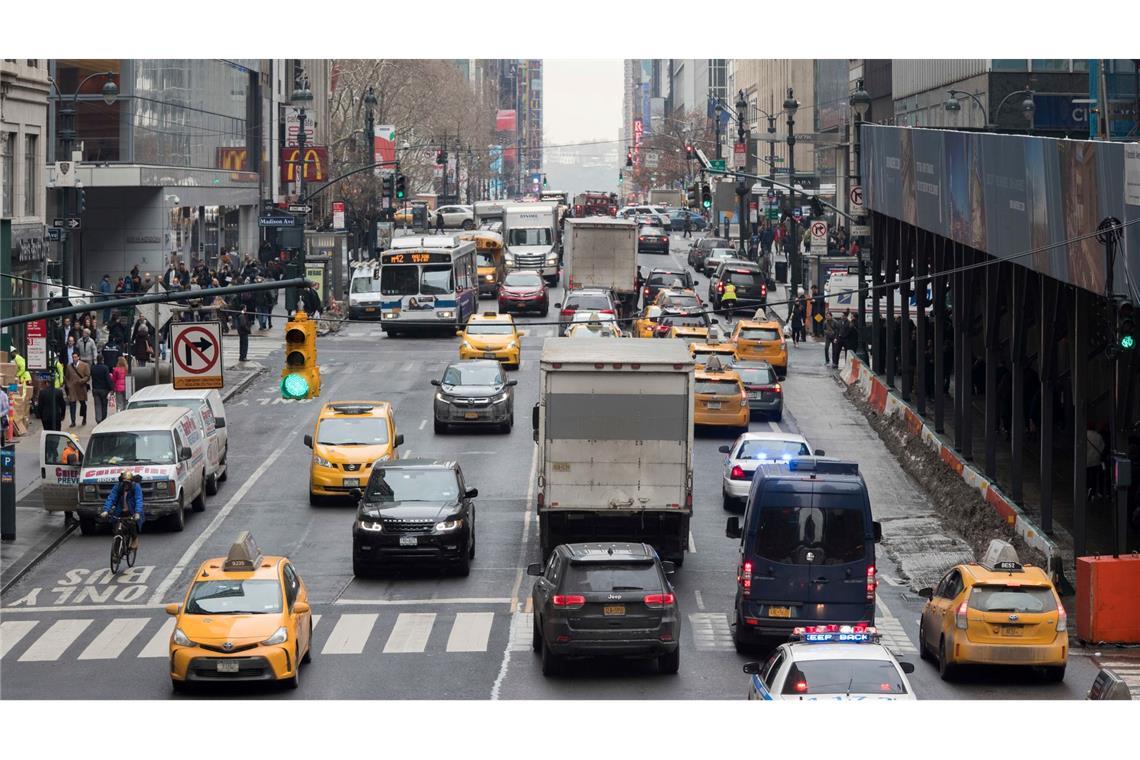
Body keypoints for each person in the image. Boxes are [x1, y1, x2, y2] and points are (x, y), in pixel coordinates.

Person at [100, 471, 145, 551]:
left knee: (132, 525)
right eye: (125, 483)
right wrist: (106, 510)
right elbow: (111, 498)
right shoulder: (118, 487)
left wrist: (137, 512)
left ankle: (134, 539)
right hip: (120, 512)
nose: (126, 485)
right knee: (117, 530)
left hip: (132, 512)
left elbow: (139, 499)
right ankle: (116, 553)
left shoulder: (136, 487)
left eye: (128, 483)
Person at [64, 353, 91, 428]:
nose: (74, 359)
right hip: (72, 388)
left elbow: (88, 376)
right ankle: (73, 421)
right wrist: (68, 385)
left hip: (81, 387)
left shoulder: (85, 365)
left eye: (75, 357)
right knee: (72, 404)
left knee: (83, 404)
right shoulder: (69, 366)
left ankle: (84, 418)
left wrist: (82, 380)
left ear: (78, 357)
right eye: (73, 357)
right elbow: (66, 377)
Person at [90, 353, 112, 423]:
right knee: (104, 405)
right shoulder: (105, 368)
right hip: (104, 389)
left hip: (96, 389)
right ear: (102, 360)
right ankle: (103, 419)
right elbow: (107, 379)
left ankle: (98, 419)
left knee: (97, 405)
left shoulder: (93, 368)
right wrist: (111, 388)